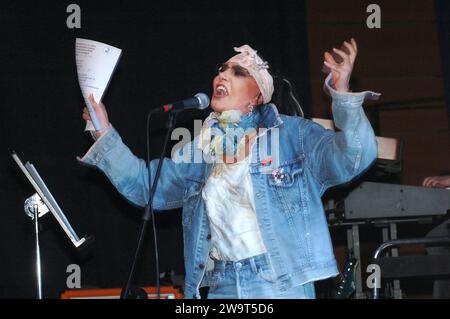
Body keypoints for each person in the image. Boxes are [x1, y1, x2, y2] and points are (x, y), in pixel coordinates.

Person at [79, 39, 379, 299]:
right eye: (222, 68)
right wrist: (102, 131)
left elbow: (353, 157)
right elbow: (147, 187)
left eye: (238, 71)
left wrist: (343, 95)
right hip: (222, 282)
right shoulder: (202, 150)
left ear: (257, 97)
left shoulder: (292, 136)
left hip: (278, 280)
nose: (223, 74)